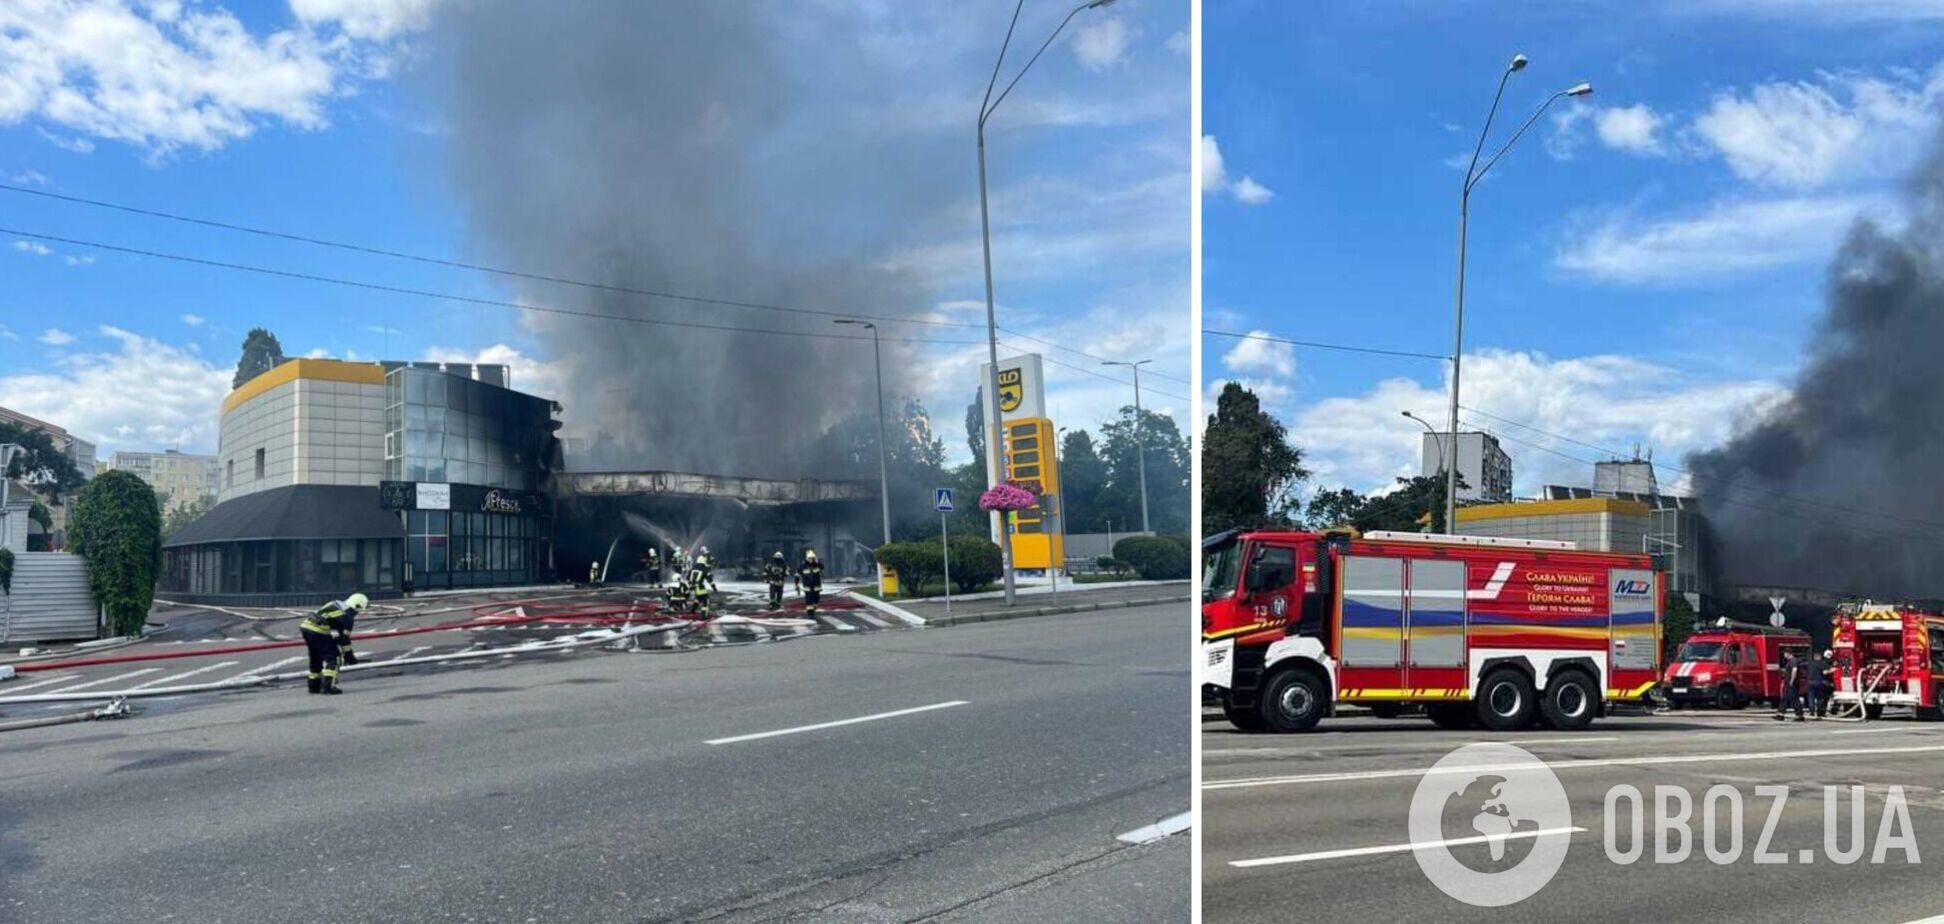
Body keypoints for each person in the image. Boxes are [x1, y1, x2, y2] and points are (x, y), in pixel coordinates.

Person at [300, 592, 365, 695]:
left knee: (316, 657)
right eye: (359, 610)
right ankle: (328, 687)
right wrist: (349, 656)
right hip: (319, 631)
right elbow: (344, 639)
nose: (357, 613)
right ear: (356, 606)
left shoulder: (335, 603)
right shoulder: (347, 617)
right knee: (334, 658)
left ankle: (314, 686)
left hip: (306, 627)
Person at [1774, 650, 1805, 722]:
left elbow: (1795, 670)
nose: (1784, 655)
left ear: (1788, 654)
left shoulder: (1793, 661)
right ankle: (1780, 714)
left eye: (1785, 654)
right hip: (1788, 683)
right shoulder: (1790, 661)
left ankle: (1800, 716)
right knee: (1784, 699)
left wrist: (1792, 681)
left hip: (1792, 684)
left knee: (1794, 699)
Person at [797, 548, 824, 617]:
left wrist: (817, 562)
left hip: (816, 587)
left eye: (812, 558)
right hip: (807, 587)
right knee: (808, 600)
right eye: (809, 558)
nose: (811, 560)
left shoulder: (817, 565)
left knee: (816, 600)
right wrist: (796, 583)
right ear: (807, 559)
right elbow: (797, 574)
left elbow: (822, 567)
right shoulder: (803, 566)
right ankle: (810, 613)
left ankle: (813, 608)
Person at [1810, 649, 1835, 719]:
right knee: (1823, 698)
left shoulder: (1821, 662)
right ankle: (1821, 712)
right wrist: (1833, 670)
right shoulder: (1825, 663)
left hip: (1823, 681)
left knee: (1822, 698)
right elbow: (1825, 672)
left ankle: (1818, 711)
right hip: (1825, 682)